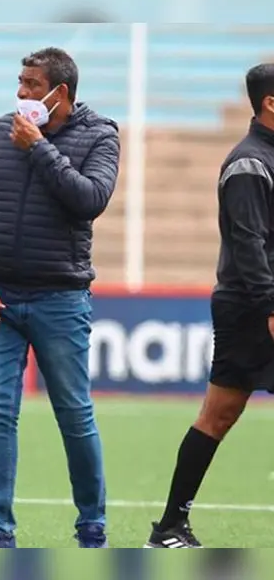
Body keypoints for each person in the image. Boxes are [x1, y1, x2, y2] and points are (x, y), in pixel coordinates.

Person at [0, 47, 120, 548]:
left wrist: (39, 149)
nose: (21, 93)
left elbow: (90, 200)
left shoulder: (101, 136)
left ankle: (91, 523)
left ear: (60, 93)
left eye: (31, 84)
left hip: (61, 298)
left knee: (73, 412)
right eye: (20, 83)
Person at [145, 63, 274, 549]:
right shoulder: (248, 164)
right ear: (270, 103)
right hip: (252, 305)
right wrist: (269, 306)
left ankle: (169, 527)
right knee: (218, 415)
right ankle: (170, 527)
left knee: (217, 414)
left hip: (256, 302)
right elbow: (249, 243)